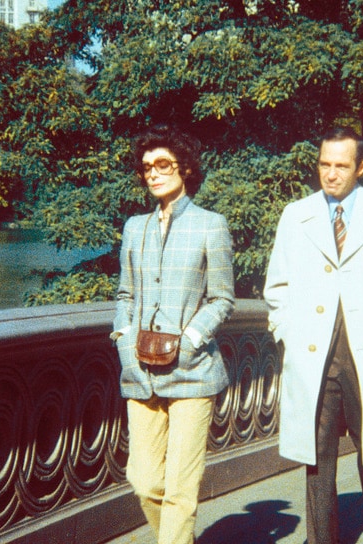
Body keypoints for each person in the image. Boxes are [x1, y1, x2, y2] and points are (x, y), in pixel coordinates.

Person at [263, 127, 363, 544]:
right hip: (315, 357)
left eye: (341, 165)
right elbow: (276, 287)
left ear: (361, 167)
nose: (330, 174)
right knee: (316, 460)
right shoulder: (295, 215)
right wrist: (288, 336)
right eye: (324, 164)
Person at [111, 125, 235, 544]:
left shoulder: (210, 225)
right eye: (146, 167)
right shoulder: (134, 227)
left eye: (163, 164)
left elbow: (221, 299)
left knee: (182, 489)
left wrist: (190, 340)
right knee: (143, 480)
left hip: (194, 372)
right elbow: (125, 295)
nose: (153, 173)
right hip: (141, 372)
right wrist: (127, 350)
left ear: (185, 168)